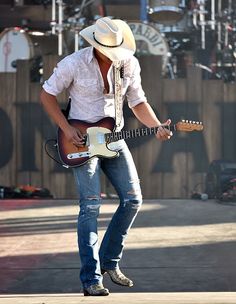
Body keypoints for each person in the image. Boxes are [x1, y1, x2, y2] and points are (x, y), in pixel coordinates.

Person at [40, 16, 173, 296]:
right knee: (90, 206)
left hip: (115, 138)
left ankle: (109, 262)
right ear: (96, 44)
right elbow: (47, 94)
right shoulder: (74, 63)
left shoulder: (128, 63)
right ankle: (91, 279)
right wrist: (66, 128)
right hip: (80, 142)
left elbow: (137, 101)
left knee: (133, 200)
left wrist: (157, 126)